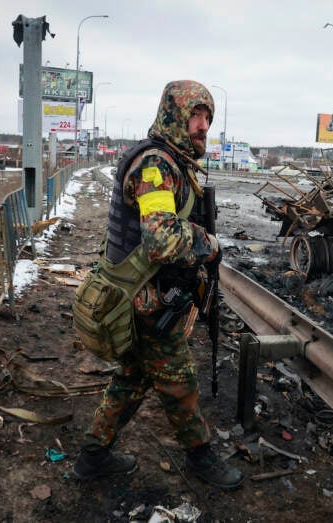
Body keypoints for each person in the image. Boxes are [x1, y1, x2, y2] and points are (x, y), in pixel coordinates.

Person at [72, 80, 243, 490]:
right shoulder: (156, 166)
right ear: (174, 117)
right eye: (195, 116)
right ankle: (202, 458)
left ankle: (91, 458)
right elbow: (162, 237)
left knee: (132, 376)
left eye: (208, 118)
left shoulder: (173, 161)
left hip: (142, 295)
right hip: (142, 299)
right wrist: (211, 244)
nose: (203, 126)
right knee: (178, 379)